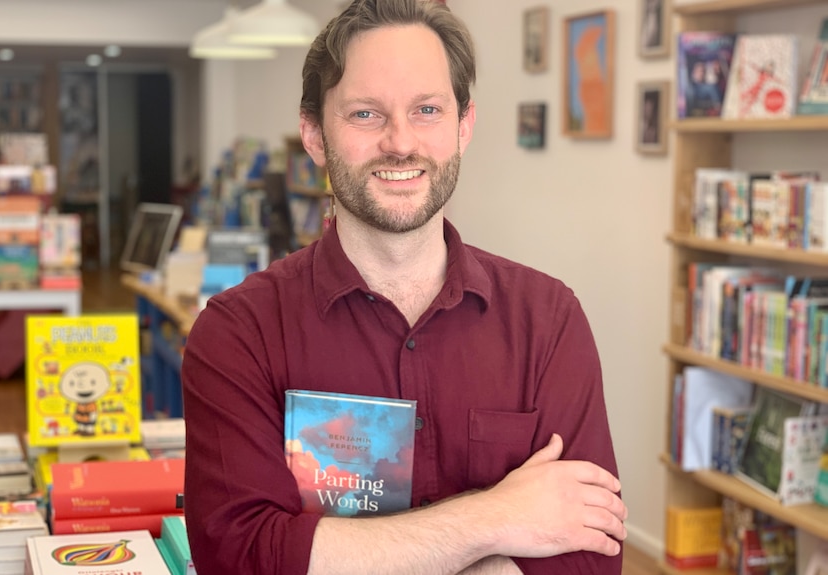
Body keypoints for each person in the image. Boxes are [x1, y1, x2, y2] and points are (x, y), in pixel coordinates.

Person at [182, 1, 627, 574]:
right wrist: (496, 517)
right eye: (366, 114)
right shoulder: (239, 333)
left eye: (427, 109)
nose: (400, 142)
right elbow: (241, 557)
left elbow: (590, 553)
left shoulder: (548, 319)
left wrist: (343, 553)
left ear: (463, 126)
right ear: (314, 135)